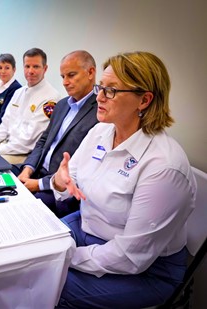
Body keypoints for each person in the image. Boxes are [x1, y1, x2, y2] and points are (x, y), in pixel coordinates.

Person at [53, 51, 197, 308]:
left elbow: (130, 257)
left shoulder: (163, 166)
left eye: (111, 91)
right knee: (29, 252)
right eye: (101, 87)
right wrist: (59, 181)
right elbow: (69, 176)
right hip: (89, 224)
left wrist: (66, 257)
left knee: (49, 282)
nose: (98, 97)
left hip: (147, 270)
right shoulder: (101, 131)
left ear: (144, 100)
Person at [15, 50, 99, 217]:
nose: (65, 82)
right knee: (1, 178)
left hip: (59, 187)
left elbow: (82, 167)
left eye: (71, 75)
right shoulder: (61, 105)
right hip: (37, 171)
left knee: (23, 212)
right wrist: (28, 169)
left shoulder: (99, 112)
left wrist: (39, 184)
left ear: (90, 73)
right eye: (62, 77)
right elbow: (43, 140)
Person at [0, 48, 61, 164]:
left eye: (36, 66)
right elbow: (4, 124)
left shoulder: (50, 98)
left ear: (45, 69)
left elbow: (29, 141)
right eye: (27, 66)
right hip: (7, 145)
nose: (30, 71)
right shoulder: (19, 92)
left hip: (24, 154)